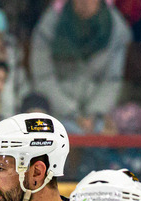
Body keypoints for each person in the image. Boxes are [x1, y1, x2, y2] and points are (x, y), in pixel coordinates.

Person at [29, 0, 132, 135]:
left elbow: (112, 80)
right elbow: (43, 77)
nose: (85, 2)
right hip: (57, 110)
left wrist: (94, 113)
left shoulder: (117, 29)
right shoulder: (50, 24)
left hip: (98, 114)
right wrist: (72, 113)